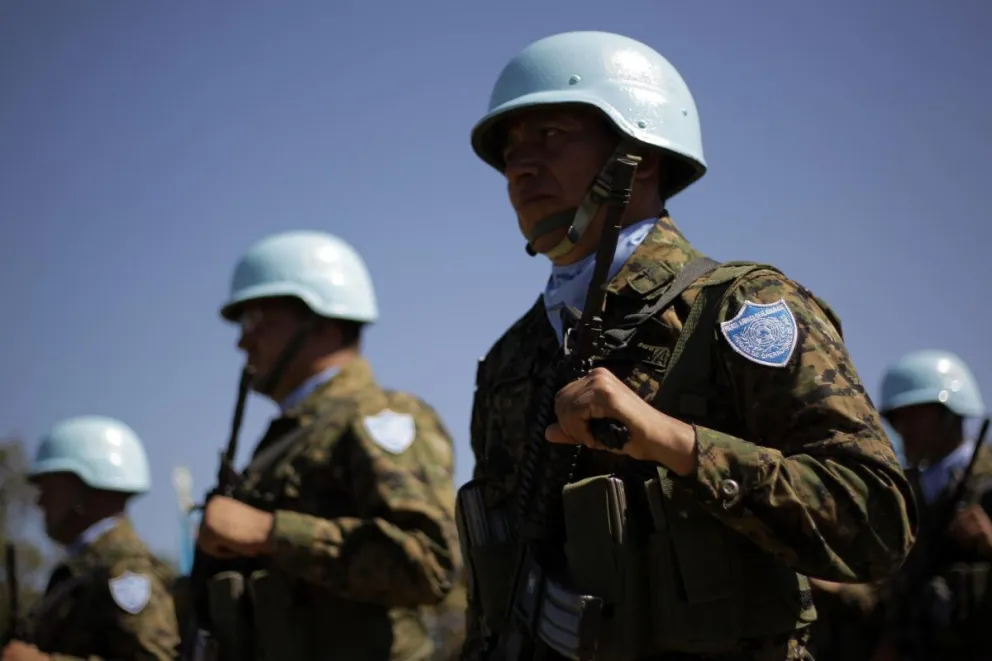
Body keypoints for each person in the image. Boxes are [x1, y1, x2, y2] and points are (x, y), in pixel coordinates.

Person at [456, 31, 917, 661]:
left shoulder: (741, 307)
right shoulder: (512, 357)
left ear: (638, 157)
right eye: (511, 149)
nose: (520, 165)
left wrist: (674, 443)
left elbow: (877, 521)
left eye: (553, 136)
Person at [186, 230, 461, 661]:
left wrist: (269, 532)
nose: (242, 341)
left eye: (256, 320)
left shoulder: (375, 416)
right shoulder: (289, 437)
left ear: (318, 319)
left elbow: (427, 563)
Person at [810, 349, 992, 661]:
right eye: (897, 419)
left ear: (948, 414)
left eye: (914, 416)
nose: (902, 429)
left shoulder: (985, 483)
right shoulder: (904, 492)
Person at [1, 415, 180, 661]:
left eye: (49, 488)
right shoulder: (85, 568)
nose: (40, 502)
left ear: (82, 488)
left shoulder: (125, 569)